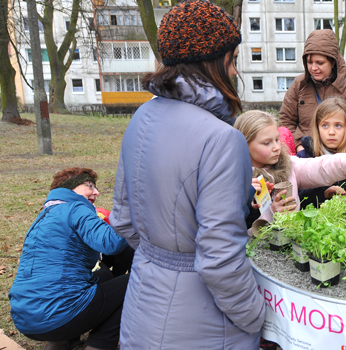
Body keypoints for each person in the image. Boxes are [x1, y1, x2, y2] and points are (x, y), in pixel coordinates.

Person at [108, 1, 265, 348]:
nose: (236, 73)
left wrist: (162, 256)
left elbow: (122, 219)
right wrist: (256, 315)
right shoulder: (223, 139)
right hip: (203, 325)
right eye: (233, 60)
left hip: (141, 307)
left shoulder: (141, 118)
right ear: (212, 62)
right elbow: (220, 259)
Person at [9, 168, 129, 350]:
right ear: (70, 188)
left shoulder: (44, 217)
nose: (96, 192)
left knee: (103, 277)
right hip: (59, 316)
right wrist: (131, 214)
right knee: (135, 283)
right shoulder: (75, 208)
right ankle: (99, 345)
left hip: (26, 319)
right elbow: (111, 242)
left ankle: (59, 343)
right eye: (89, 185)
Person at [234, 110, 346, 227]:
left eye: (276, 139)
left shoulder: (290, 165)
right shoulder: (235, 180)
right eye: (267, 143)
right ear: (244, 145)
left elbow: (324, 166)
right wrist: (269, 212)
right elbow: (238, 227)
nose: (276, 147)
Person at [279, 29, 346, 152]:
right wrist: (299, 146)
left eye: (320, 63)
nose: (314, 68)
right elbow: (286, 121)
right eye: (309, 62)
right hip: (304, 156)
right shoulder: (299, 85)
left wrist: (339, 152)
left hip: (339, 159)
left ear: (332, 61)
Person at [296, 97, 346, 208]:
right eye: (325, 125)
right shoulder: (303, 159)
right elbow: (296, 198)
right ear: (317, 127)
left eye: (338, 125)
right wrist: (323, 194)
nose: (331, 132)